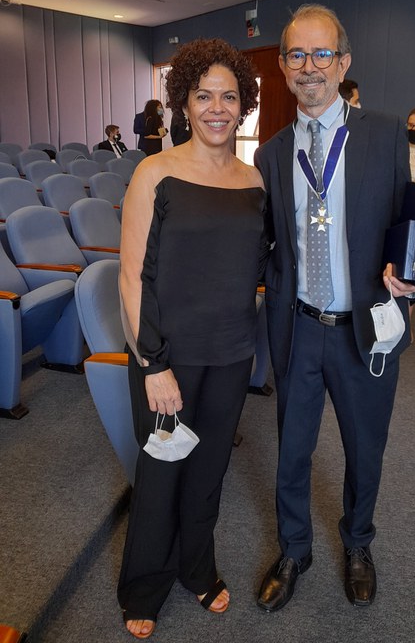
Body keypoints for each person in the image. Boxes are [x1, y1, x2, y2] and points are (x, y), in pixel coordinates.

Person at [254, 3, 415, 613]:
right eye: (297, 54)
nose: (310, 66)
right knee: (292, 448)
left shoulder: (383, 134)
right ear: (283, 65)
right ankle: (294, 548)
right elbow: (268, 244)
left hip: (364, 330)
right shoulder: (271, 154)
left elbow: (411, 228)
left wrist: (412, 280)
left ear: (343, 62)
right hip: (298, 328)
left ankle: (358, 543)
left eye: (322, 53)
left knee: (363, 447)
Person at [118, 37, 267, 639]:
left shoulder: (255, 181)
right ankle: (143, 584)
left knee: (207, 473)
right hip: (166, 357)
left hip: (232, 352)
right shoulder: (155, 171)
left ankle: (197, 569)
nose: (216, 108)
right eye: (203, 95)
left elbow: (262, 267)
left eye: (228, 97)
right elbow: (132, 276)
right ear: (183, 101)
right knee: (160, 473)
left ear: (243, 105)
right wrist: (153, 363)